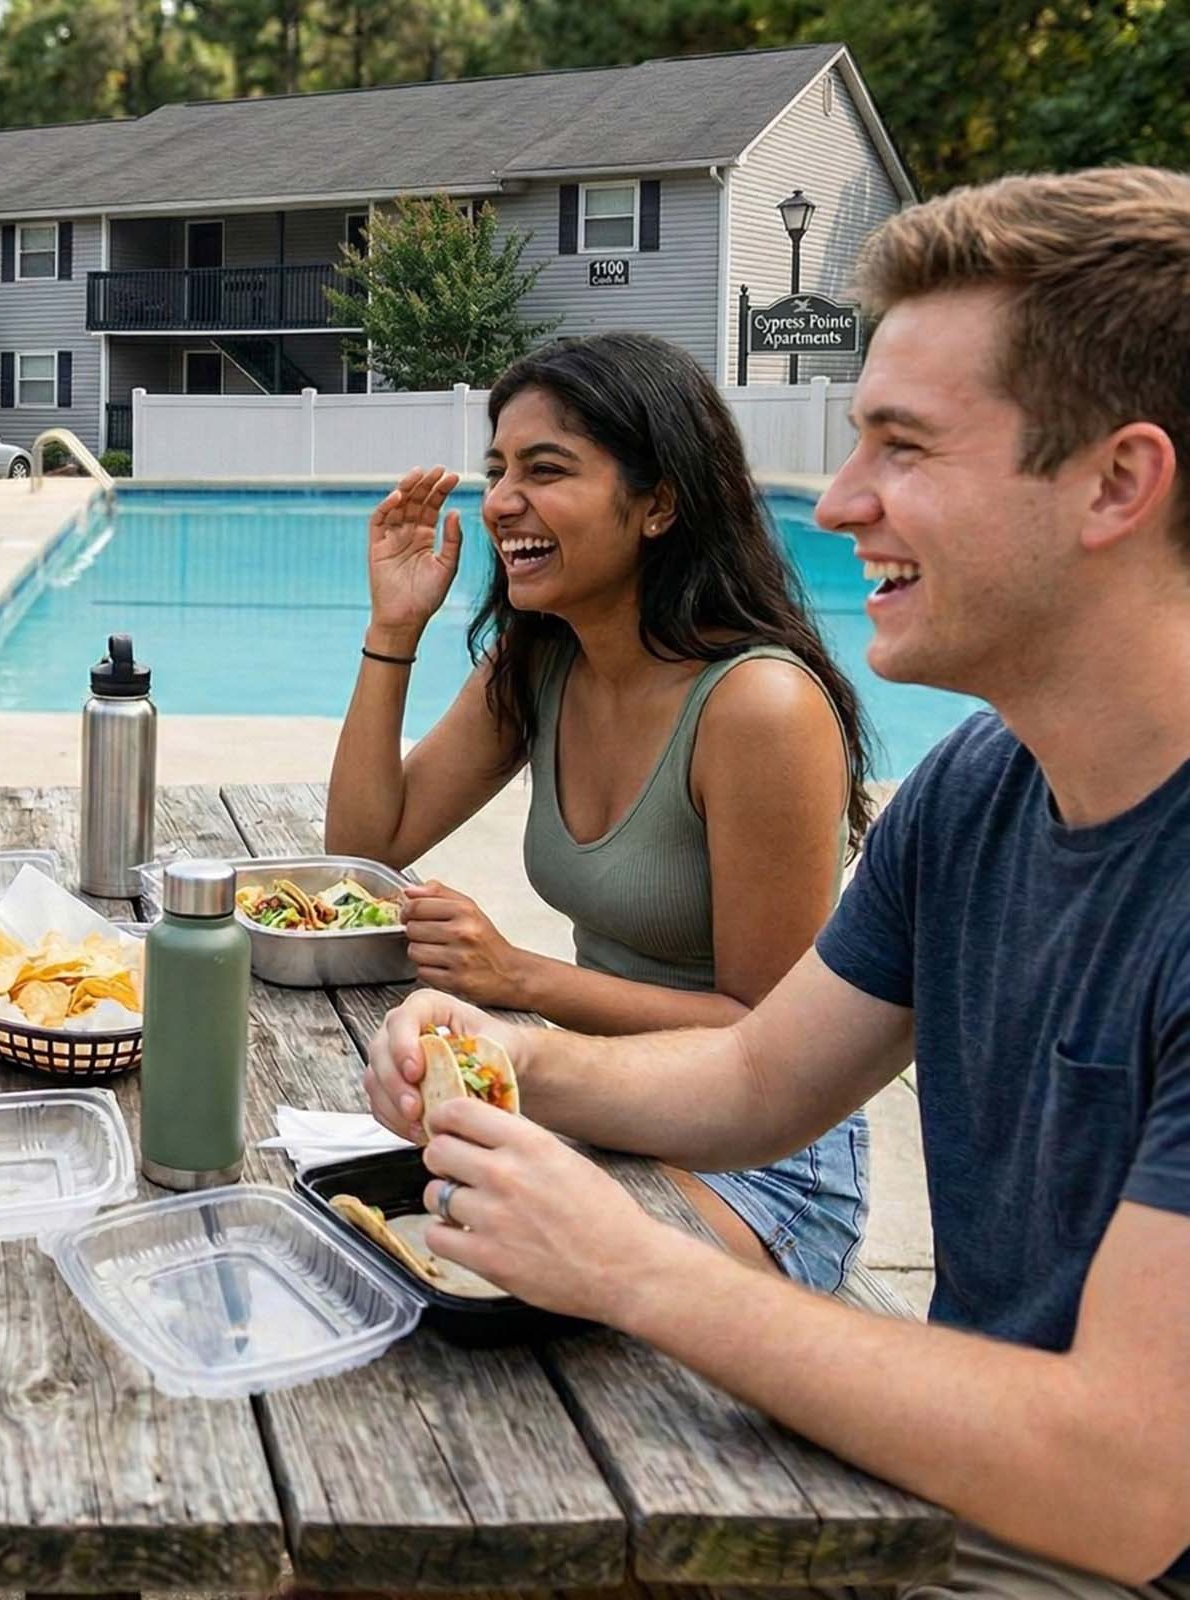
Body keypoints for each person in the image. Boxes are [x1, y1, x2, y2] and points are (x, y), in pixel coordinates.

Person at [367, 166, 1190, 1594]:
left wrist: (630, 1264)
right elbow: (758, 1085)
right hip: (954, 1477)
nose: (842, 499)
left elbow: (1125, 1486)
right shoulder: (979, 791)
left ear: (1117, 481)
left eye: (904, 448)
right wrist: (508, 1058)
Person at [326, 330, 874, 1289]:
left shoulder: (760, 709)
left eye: (547, 469)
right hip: (603, 1100)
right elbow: (366, 845)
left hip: (764, 1161)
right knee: (370, 1244)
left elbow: (768, 1033)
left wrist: (521, 978)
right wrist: (392, 630)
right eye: (497, 469)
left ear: (659, 501)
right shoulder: (544, 660)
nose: (500, 502)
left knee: (466, 1278)